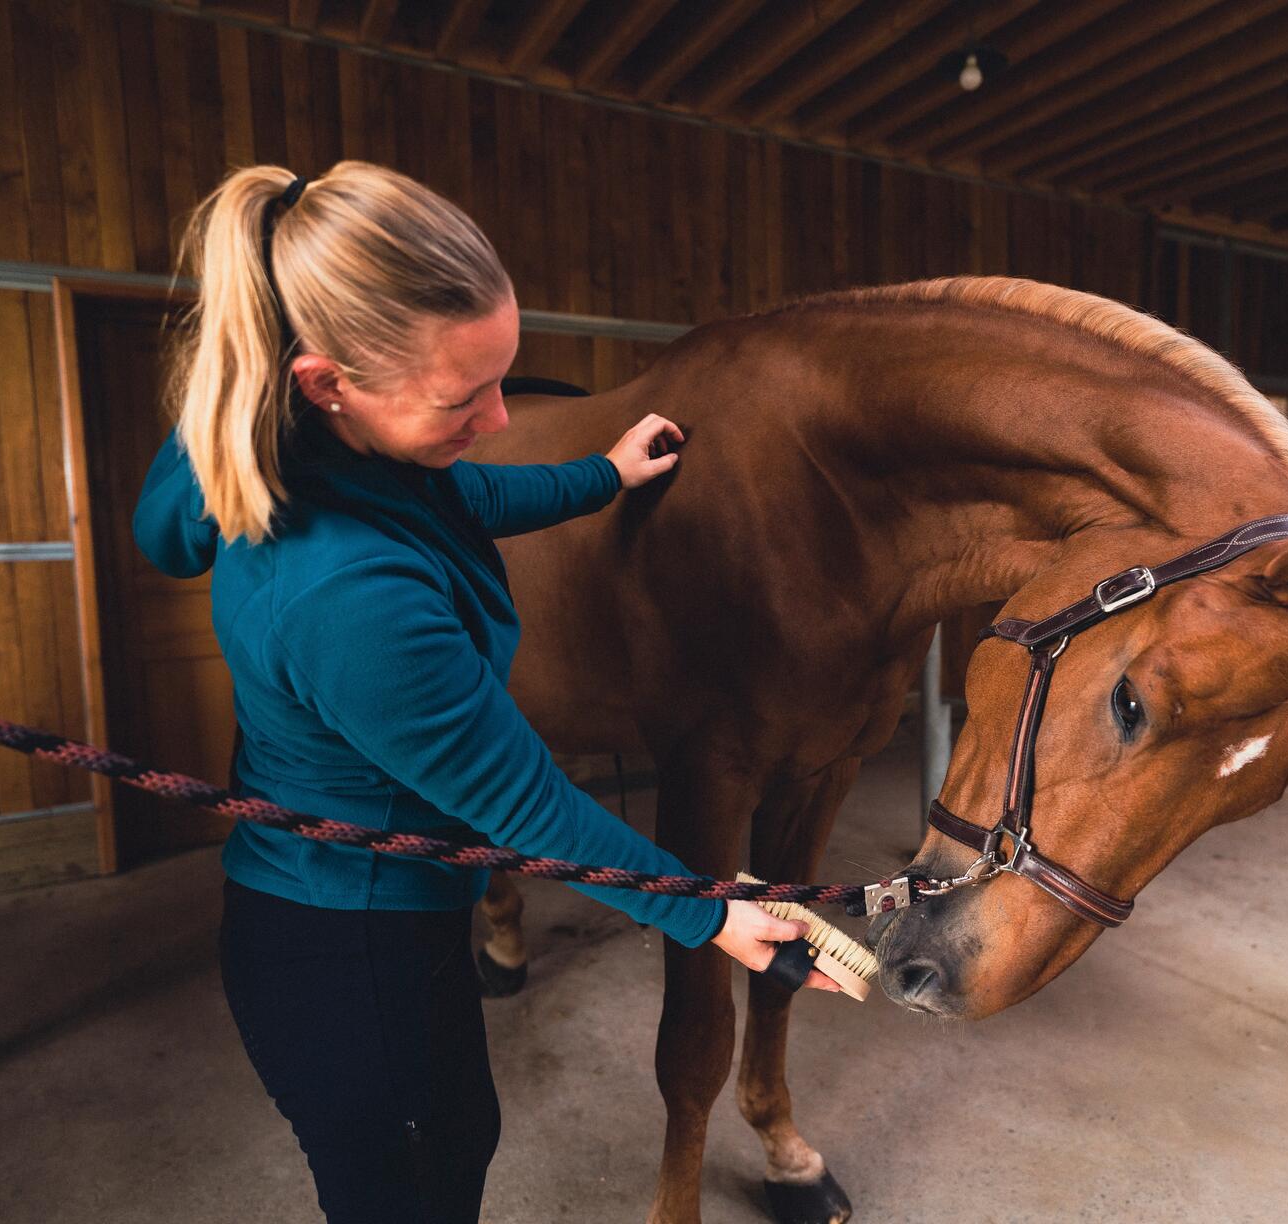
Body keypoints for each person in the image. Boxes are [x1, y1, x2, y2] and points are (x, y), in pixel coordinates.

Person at [131, 161, 833, 1224]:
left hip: (368, 911)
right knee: (425, 1172)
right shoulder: (346, 593)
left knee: (455, 1143)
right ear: (325, 383)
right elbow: (526, 805)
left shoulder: (341, 449)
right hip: (350, 951)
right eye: (466, 397)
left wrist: (606, 474)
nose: (500, 419)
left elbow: (469, 493)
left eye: (501, 379)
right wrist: (713, 913)